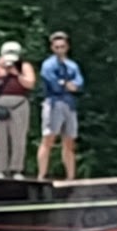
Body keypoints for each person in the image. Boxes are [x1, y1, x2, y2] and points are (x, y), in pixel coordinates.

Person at [0, 42, 35, 177]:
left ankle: (16, 169)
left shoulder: (24, 67)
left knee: (19, 139)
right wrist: (0, 70)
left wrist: (16, 74)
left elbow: (30, 84)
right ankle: (0, 169)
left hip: (19, 105)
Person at [36, 31, 83, 181]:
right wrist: (66, 84)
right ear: (52, 48)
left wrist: (71, 85)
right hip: (53, 103)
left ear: (67, 47)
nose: (59, 50)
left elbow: (79, 82)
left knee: (69, 142)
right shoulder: (47, 65)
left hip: (70, 105)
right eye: (56, 47)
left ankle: (70, 177)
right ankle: (41, 175)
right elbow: (53, 84)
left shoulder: (72, 65)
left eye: (62, 46)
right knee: (48, 139)